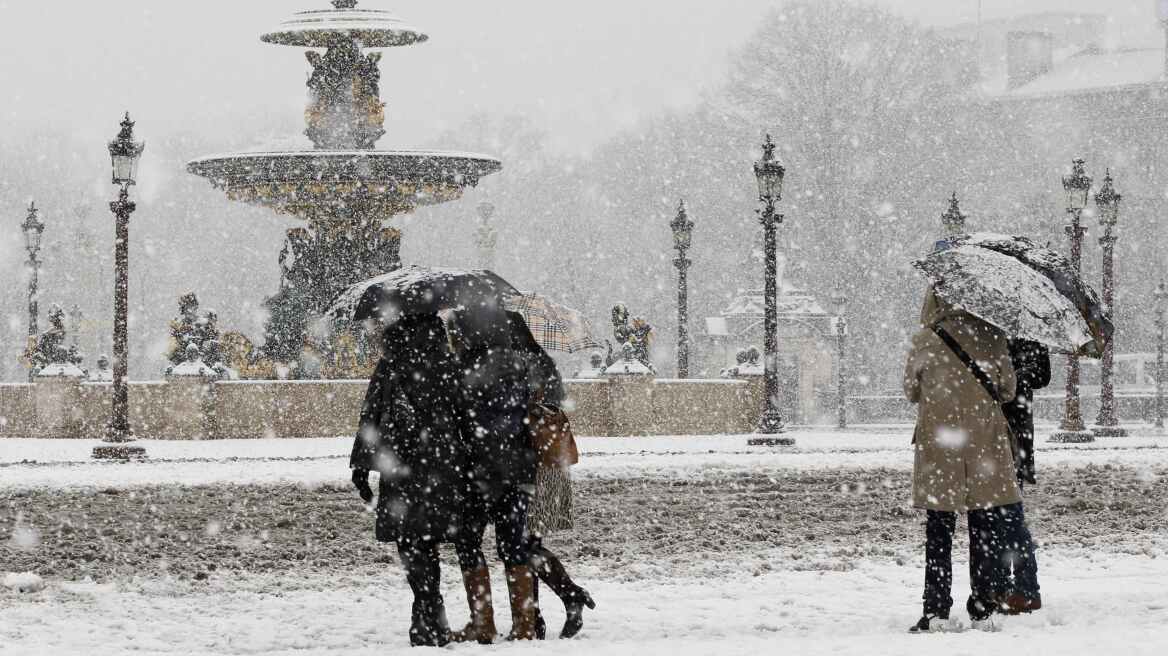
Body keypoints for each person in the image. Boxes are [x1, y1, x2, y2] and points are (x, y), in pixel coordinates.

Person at [903, 287, 1037, 632]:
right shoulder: (992, 336)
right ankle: (982, 603)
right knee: (983, 529)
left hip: (940, 449)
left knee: (938, 532)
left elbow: (910, 391)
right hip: (984, 447)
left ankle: (935, 609)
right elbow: (1007, 390)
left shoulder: (925, 339)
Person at [349, 313, 468, 647]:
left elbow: (370, 416)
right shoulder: (446, 363)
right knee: (428, 539)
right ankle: (432, 611)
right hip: (440, 464)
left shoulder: (391, 364)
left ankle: (426, 609)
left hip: (400, 464)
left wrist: (361, 466)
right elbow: (464, 414)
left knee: (411, 541)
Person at [446, 308, 540, 642]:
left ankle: (483, 622)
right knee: (514, 545)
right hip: (517, 467)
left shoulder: (462, 370)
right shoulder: (517, 365)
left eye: (454, 334)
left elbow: (458, 420)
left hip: (479, 470)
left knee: (468, 543)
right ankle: (524, 625)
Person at [506, 312, 595, 639]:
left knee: (523, 544)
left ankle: (557, 603)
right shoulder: (540, 362)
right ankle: (542, 612)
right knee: (526, 543)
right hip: (548, 463)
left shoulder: (521, 365)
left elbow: (521, 413)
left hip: (534, 465)